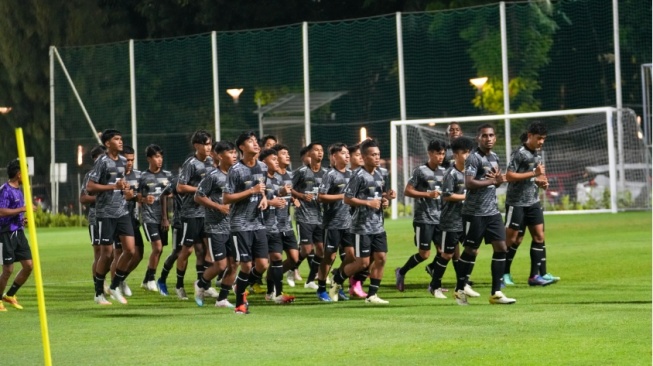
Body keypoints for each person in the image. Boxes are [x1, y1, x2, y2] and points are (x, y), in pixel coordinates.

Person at [460, 124, 515, 305]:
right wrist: (492, 180)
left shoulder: (494, 157)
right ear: (478, 138)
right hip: (474, 213)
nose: (488, 138)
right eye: (484, 136)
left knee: (502, 248)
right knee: (470, 251)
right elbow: (469, 183)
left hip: (492, 211)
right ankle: (460, 289)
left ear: (495, 138)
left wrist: (498, 182)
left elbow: (493, 183)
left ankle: (496, 293)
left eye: (491, 135)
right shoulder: (473, 158)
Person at [330, 139, 390, 304]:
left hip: (378, 225)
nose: (377, 158)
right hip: (360, 226)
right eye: (373, 155)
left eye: (378, 154)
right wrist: (367, 203)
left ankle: (372, 295)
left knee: (381, 258)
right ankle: (337, 278)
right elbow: (347, 199)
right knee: (362, 263)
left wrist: (386, 200)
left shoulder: (382, 173)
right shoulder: (358, 176)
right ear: (364, 157)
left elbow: (381, 195)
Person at [504, 121, 559, 286]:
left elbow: (537, 177)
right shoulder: (519, 153)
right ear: (530, 136)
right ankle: (504, 272)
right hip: (516, 202)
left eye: (543, 139)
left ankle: (534, 277)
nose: (541, 142)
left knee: (539, 236)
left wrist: (542, 182)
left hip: (533, 201)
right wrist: (533, 174)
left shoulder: (538, 154)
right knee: (513, 239)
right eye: (539, 138)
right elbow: (509, 176)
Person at [87, 129, 136, 305]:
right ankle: (99, 292)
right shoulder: (102, 161)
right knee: (106, 255)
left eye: (121, 138)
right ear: (108, 144)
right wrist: (112, 187)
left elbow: (120, 184)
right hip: (105, 213)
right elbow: (90, 186)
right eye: (116, 139)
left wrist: (125, 189)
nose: (120, 141)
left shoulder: (123, 161)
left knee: (130, 250)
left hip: (122, 211)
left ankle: (115, 286)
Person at [223, 131, 269, 315]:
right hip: (240, 224)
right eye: (250, 141)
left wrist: (263, 197)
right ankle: (240, 303)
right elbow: (226, 198)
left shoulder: (263, 167)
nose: (256, 144)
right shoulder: (235, 170)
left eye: (256, 141)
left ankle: (239, 286)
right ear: (241, 147)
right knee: (246, 265)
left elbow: (262, 188)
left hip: (258, 222)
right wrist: (252, 191)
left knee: (263, 264)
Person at [428, 136, 476, 304]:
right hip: (450, 221)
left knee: (472, 250)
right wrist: (465, 197)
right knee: (447, 255)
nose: (468, 155)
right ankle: (434, 286)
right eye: (464, 152)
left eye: (469, 152)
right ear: (456, 154)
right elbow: (446, 196)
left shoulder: (470, 172)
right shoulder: (451, 173)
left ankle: (463, 284)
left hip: (466, 220)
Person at [193, 141, 240, 308]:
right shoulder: (213, 176)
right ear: (220, 156)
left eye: (235, 152)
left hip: (235, 226)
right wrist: (218, 206)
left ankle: (222, 299)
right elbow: (198, 197)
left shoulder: (238, 175)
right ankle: (200, 284)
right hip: (215, 227)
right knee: (220, 265)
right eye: (231, 153)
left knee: (235, 264)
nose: (235, 155)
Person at [395, 139, 446, 292]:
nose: (441, 157)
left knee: (444, 253)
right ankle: (401, 271)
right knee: (424, 254)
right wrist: (427, 194)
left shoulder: (444, 172)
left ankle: (435, 281)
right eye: (438, 154)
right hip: (423, 218)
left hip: (440, 219)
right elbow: (407, 191)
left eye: (443, 154)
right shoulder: (421, 171)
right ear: (430, 153)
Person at [175, 130, 214, 300]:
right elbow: (180, 187)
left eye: (210, 144)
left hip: (208, 213)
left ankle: (203, 284)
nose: (208, 147)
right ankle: (179, 285)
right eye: (205, 144)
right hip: (191, 214)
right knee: (187, 251)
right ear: (196, 145)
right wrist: (200, 190)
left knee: (208, 250)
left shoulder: (212, 162)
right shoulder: (190, 164)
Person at [315, 143, 353, 302]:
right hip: (332, 224)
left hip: (350, 223)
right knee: (329, 257)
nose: (347, 156)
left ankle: (337, 281)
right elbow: (321, 196)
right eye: (343, 153)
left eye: (348, 153)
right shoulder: (330, 175)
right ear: (334, 156)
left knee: (352, 257)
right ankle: (321, 289)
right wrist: (341, 197)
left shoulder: (352, 174)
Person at [257, 148, 295, 303]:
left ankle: (276, 293)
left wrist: (282, 194)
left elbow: (274, 194)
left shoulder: (278, 179)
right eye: (274, 159)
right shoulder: (260, 179)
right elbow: (257, 200)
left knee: (278, 258)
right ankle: (240, 284)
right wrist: (271, 201)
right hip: (259, 226)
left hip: (276, 226)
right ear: (264, 162)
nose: (277, 162)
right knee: (259, 264)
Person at [291, 142, 328, 290]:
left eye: (321, 150)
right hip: (304, 217)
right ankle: (292, 268)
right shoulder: (301, 172)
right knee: (306, 250)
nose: (320, 153)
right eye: (316, 150)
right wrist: (300, 196)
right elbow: (289, 188)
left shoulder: (326, 173)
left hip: (320, 217)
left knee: (321, 250)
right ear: (309, 154)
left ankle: (311, 279)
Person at [137, 144, 173, 292]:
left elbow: (168, 195)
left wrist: (165, 217)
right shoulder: (142, 177)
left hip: (162, 218)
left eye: (161, 156)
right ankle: (151, 278)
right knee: (156, 247)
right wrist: (145, 200)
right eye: (156, 157)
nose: (160, 160)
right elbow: (135, 196)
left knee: (160, 249)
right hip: (148, 218)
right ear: (149, 159)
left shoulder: (167, 175)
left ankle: (146, 280)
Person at [0, 159, 33, 310]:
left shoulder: (19, 190)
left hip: (18, 232)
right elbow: (1, 211)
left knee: (28, 265)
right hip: (5, 233)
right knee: (8, 269)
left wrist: (22, 219)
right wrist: (23, 209)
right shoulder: (5, 190)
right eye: (25, 172)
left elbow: (14, 211)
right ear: (19, 174)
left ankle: (10, 294)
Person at [111, 145, 143, 298]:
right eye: (127, 159)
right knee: (119, 253)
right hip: (118, 218)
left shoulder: (138, 175)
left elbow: (142, 195)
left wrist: (139, 197)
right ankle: (114, 286)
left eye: (132, 160)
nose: (129, 163)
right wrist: (124, 196)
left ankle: (121, 278)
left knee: (138, 254)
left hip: (133, 219)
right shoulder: (114, 175)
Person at [271, 144, 301, 288]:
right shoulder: (271, 175)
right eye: (284, 153)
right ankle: (273, 285)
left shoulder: (290, 175)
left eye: (288, 153)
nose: (288, 156)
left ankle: (272, 276)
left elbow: (290, 192)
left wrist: (294, 199)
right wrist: (280, 193)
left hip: (287, 224)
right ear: (276, 157)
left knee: (294, 258)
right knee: (274, 258)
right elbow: (267, 195)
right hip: (273, 225)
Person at [80, 145, 106, 296]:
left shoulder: (113, 174)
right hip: (95, 218)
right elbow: (83, 198)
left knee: (111, 252)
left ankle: (110, 282)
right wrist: (100, 198)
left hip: (111, 218)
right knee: (98, 252)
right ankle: (98, 286)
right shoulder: (90, 176)